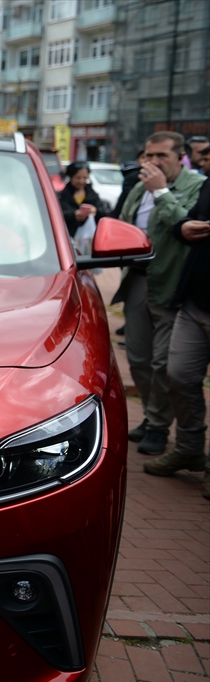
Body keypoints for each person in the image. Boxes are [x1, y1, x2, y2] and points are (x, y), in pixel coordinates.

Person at [115, 131, 206, 456]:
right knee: (138, 358)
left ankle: (157, 425)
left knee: (163, 362)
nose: (153, 163)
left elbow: (186, 227)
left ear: (180, 157)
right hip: (138, 280)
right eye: (149, 156)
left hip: (171, 283)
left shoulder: (196, 186)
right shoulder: (140, 187)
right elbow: (122, 224)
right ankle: (151, 416)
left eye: (162, 156)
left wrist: (162, 191)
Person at [145, 141, 210, 487]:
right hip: (195, 299)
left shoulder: (195, 182)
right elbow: (187, 225)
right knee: (179, 376)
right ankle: (189, 449)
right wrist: (183, 228)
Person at [57, 162, 102, 238]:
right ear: (71, 177)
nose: (81, 181)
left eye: (85, 178)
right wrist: (73, 215)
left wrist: (95, 211)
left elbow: (103, 213)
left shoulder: (93, 195)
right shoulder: (62, 196)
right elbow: (57, 215)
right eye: (78, 178)